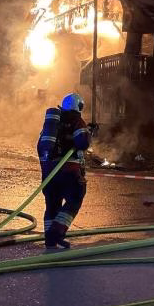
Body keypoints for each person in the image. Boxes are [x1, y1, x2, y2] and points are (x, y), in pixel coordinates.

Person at [36, 93, 97, 250]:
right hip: (69, 172)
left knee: (52, 204)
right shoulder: (76, 120)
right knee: (75, 199)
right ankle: (56, 232)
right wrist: (89, 133)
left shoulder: (53, 123)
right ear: (77, 106)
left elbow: (42, 146)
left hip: (49, 173)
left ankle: (50, 240)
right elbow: (83, 143)